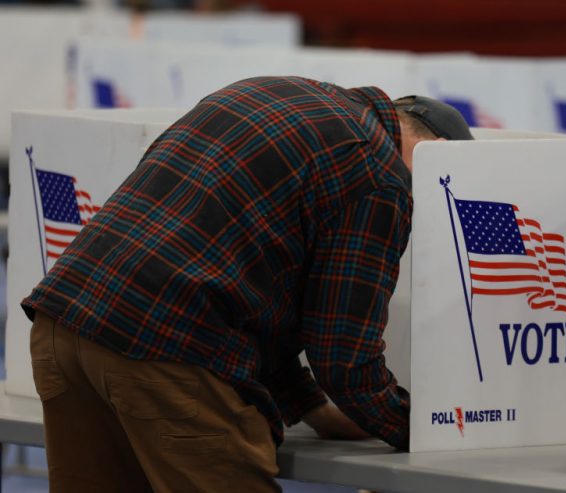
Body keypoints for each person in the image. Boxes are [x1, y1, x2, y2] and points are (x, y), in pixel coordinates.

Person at [23, 76, 473, 492]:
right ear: (436, 152)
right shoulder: (380, 174)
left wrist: (307, 404)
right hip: (166, 348)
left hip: (62, 322)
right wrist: (422, 431)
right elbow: (343, 354)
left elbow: (242, 276)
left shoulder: (267, 93)